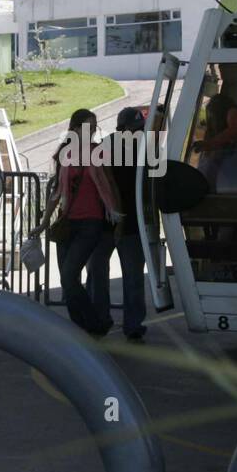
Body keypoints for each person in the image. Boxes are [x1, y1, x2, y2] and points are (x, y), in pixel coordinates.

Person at [31, 109, 122, 336]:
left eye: (94, 127)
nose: (92, 131)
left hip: (91, 223)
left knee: (69, 276)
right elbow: (56, 192)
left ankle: (93, 324)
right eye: (88, 126)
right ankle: (81, 327)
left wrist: (119, 216)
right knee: (67, 281)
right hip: (67, 222)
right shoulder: (64, 154)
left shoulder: (98, 152)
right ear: (74, 128)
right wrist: (43, 223)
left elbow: (109, 184)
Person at [105, 106, 148, 341]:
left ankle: (115, 322)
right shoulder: (142, 148)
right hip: (123, 219)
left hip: (120, 220)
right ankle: (129, 323)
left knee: (124, 275)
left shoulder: (141, 148)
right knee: (130, 275)